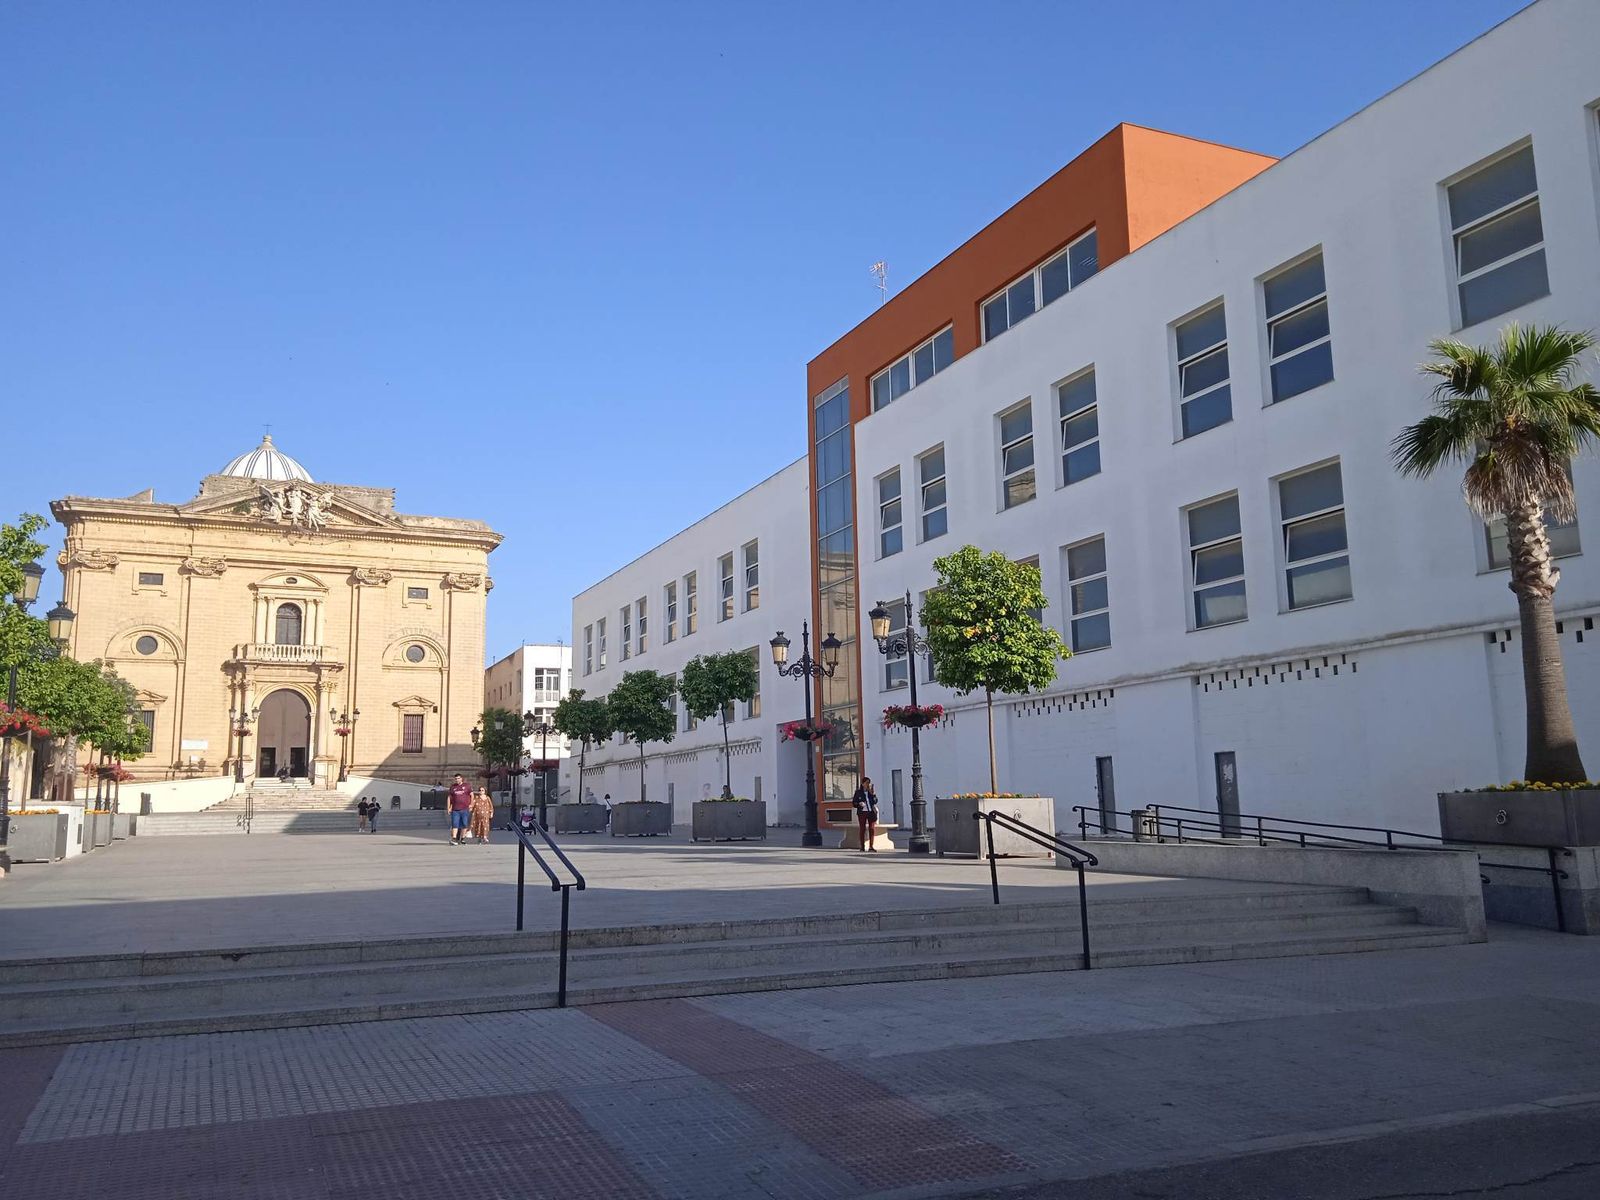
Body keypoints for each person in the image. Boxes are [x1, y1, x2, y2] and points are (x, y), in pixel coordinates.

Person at [852, 777, 880, 852]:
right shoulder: (858, 792)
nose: (868, 784)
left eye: (869, 783)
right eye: (867, 783)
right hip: (862, 812)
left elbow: (875, 801)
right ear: (863, 784)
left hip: (871, 812)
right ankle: (862, 846)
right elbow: (854, 803)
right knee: (862, 829)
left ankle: (871, 846)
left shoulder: (871, 792)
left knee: (872, 829)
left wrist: (873, 794)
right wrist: (859, 804)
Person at [447, 773, 473, 845]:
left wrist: (471, 804)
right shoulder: (453, 787)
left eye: (458, 778)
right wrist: (448, 807)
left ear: (461, 778)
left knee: (464, 824)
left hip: (465, 808)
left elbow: (472, 795)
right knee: (455, 824)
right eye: (456, 779)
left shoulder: (467, 786)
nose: (457, 780)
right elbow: (449, 797)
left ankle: (462, 838)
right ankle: (454, 838)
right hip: (455, 809)